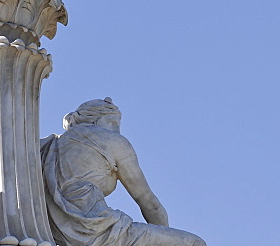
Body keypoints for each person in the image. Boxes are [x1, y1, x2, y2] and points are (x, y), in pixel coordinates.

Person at [40, 98, 206, 246]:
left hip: (56, 234)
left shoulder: (46, 147)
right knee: (193, 243)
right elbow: (147, 201)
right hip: (98, 230)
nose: (117, 130)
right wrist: (163, 236)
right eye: (113, 123)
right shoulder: (111, 140)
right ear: (96, 120)